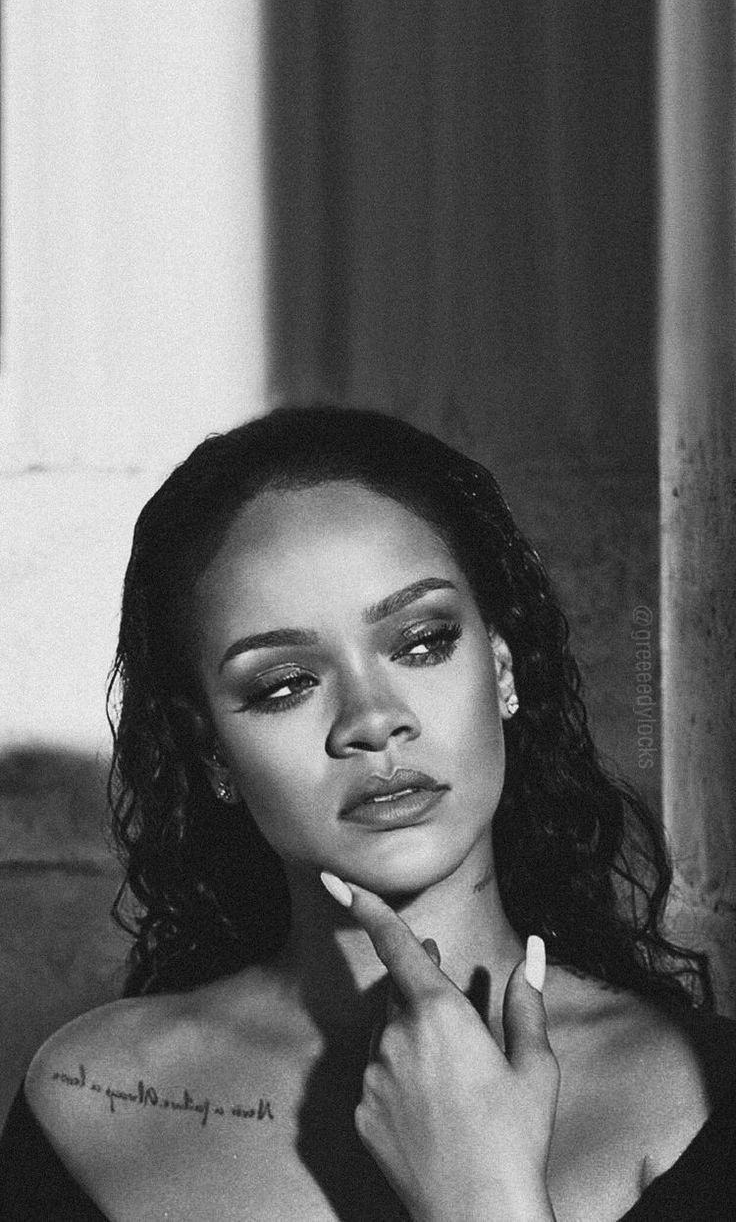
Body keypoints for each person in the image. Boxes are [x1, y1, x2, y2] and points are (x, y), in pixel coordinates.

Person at [1, 405, 734, 1221]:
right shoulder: (89, 1105)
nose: (372, 719)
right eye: (284, 685)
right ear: (213, 755)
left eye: (420, 642)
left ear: (502, 670)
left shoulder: (703, 1094)